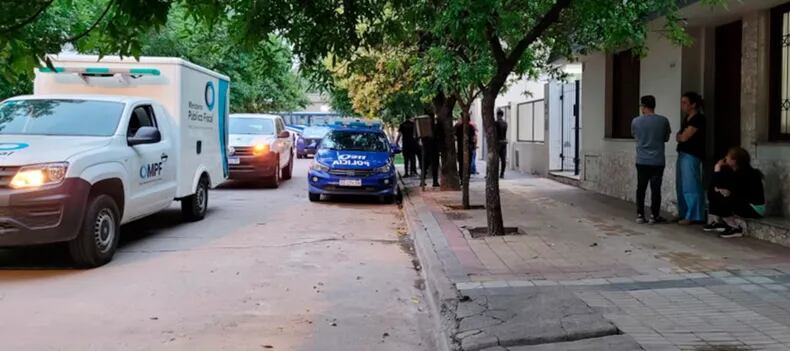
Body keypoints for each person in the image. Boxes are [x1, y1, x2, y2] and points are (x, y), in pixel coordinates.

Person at [704, 147, 765, 238]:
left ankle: (735, 228)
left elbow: (729, 191)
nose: (725, 159)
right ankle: (718, 222)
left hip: (754, 208)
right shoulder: (735, 172)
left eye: (728, 157)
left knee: (721, 197)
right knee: (714, 192)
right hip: (744, 203)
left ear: (734, 161)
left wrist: (717, 169)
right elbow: (719, 186)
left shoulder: (745, 174)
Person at [631, 95, 671, 224]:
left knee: (641, 188)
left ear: (643, 107)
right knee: (656, 189)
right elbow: (666, 138)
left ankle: (640, 215)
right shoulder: (663, 121)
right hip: (658, 161)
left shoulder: (636, 121)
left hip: (642, 160)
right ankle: (654, 215)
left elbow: (635, 136)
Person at [676, 92, 707, 225]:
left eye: (685, 102)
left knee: (691, 185)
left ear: (693, 104)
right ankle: (684, 212)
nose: (682, 105)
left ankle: (694, 215)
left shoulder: (698, 119)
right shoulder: (687, 118)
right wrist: (680, 136)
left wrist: (680, 136)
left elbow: (683, 137)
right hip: (683, 153)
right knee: (681, 185)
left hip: (692, 155)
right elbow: (679, 136)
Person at [495, 110, 508, 178]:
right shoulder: (505, 123)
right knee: (503, 159)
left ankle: (495, 173)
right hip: (504, 142)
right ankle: (502, 173)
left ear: (498, 115)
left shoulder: (496, 123)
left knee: (496, 159)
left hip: (498, 143)